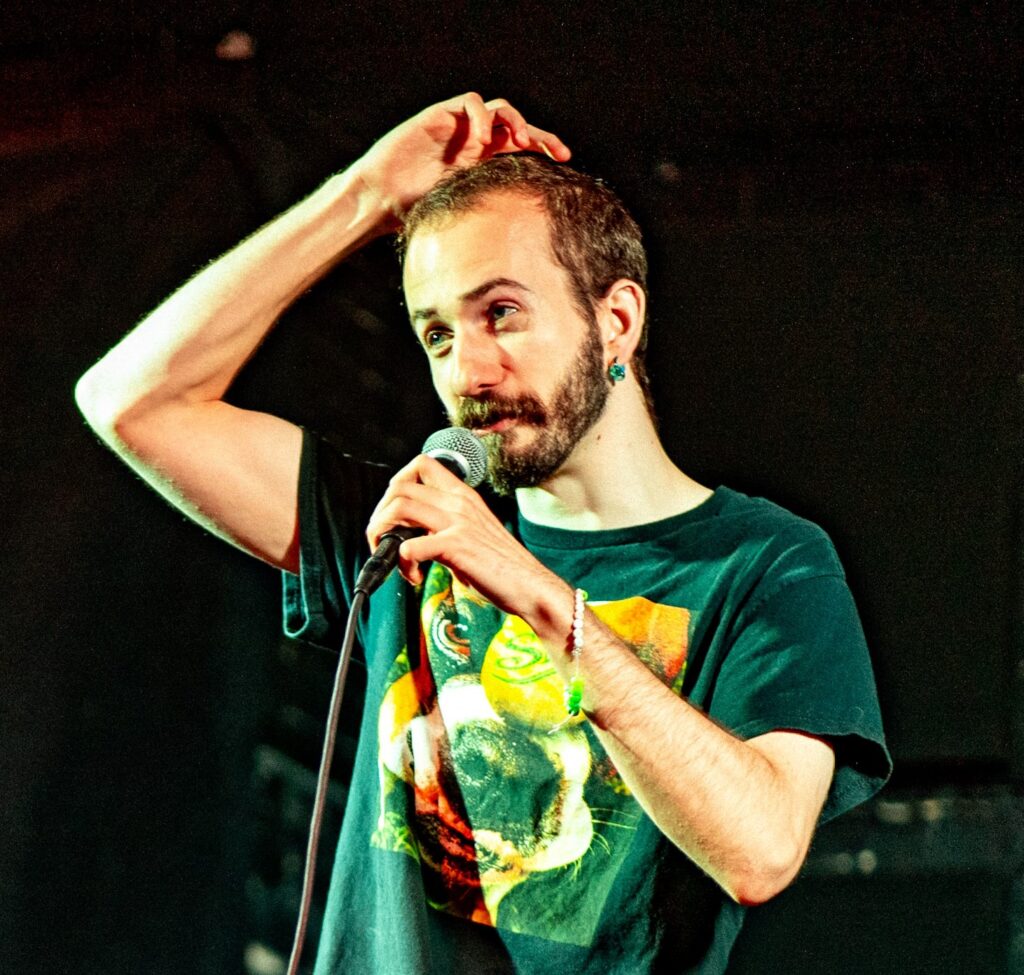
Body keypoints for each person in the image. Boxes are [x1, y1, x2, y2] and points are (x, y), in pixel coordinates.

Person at [76, 93, 890, 974]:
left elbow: (761, 848)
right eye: (436, 332)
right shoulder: (402, 527)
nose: (468, 369)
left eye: (501, 313)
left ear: (616, 319)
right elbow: (129, 401)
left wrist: (531, 590)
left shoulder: (765, 564)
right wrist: (364, 195)